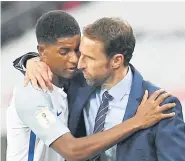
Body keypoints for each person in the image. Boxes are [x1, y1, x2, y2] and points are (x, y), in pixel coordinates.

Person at [12, 14, 185, 161]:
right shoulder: (78, 83)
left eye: (88, 57)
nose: (78, 63)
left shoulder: (158, 105)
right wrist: (31, 61)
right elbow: (72, 149)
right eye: (80, 54)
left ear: (116, 60)